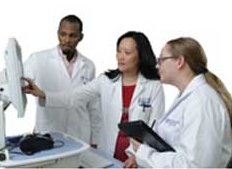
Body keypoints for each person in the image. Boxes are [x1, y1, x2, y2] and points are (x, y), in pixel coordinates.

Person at [23, 31, 165, 162]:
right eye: (118, 51)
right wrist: (44, 94)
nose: (120, 57)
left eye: (127, 52)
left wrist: (138, 156)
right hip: (108, 151)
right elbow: (74, 97)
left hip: (137, 157)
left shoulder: (153, 86)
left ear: (140, 56)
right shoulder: (106, 80)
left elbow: (155, 128)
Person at [124, 37, 232, 168]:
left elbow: (193, 165)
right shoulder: (188, 98)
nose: (157, 65)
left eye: (161, 60)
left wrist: (143, 153)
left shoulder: (202, 102)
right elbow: (173, 148)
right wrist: (139, 157)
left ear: (179, 61)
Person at [23, 15, 101, 147]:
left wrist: (95, 139)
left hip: (80, 135)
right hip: (49, 131)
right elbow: (17, 81)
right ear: (57, 34)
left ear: (80, 37)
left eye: (72, 36)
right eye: (63, 34)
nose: (67, 40)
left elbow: (93, 106)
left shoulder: (88, 65)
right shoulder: (37, 59)